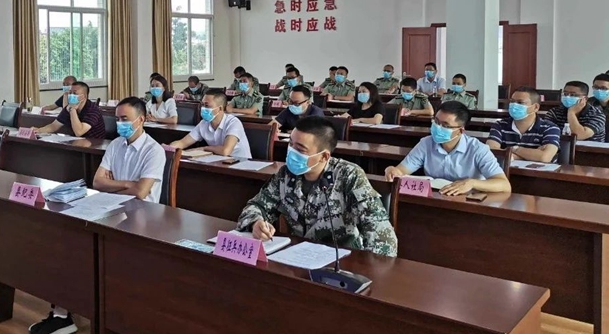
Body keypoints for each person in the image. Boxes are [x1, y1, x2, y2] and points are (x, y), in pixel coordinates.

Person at [28, 96, 165, 334]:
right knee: (69, 240)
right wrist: (127, 184)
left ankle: (74, 313)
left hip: (141, 216)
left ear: (141, 120)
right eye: (118, 119)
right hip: (111, 208)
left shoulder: (153, 150)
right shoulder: (116, 145)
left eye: (125, 119)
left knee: (88, 249)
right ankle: (61, 314)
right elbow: (98, 182)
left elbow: (142, 192)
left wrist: (119, 186)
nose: (120, 123)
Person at [236, 116, 397, 257]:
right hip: (298, 256)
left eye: (300, 149)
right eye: (291, 144)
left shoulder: (349, 176)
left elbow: (382, 236)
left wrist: (369, 272)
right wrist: (256, 223)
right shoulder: (285, 175)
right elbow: (255, 206)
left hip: (343, 260)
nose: (291, 152)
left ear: (324, 156)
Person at [385, 101, 511, 196]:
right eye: (436, 122)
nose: (438, 127)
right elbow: (402, 170)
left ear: (460, 131)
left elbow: (504, 185)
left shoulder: (478, 149)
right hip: (435, 198)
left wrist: (471, 183)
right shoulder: (426, 143)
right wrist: (393, 171)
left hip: (468, 202)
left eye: (445, 125)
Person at [170, 90, 252, 158]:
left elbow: (226, 151)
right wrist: (168, 149)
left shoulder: (233, 122)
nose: (203, 108)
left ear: (220, 108)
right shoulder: (204, 123)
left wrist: (204, 149)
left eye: (207, 105)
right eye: (202, 105)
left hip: (241, 164)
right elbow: (183, 143)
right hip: (219, 162)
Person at [486, 87, 560, 162]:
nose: (514, 105)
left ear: (535, 107)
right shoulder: (499, 125)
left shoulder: (550, 128)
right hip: (507, 169)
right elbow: (492, 152)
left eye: (520, 102)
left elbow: (544, 157)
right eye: (512, 101)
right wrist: (533, 155)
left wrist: (514, 149)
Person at [33, 81, 105, 139]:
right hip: (77, 142)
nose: (71, 95)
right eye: (70, 93)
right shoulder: (68, 107)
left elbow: (79, 132)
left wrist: (72, 110)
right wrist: (38, 130)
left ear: (83, 97)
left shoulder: (92, 110)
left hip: (95, 144)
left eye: (75, 93)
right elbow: (54, 126)